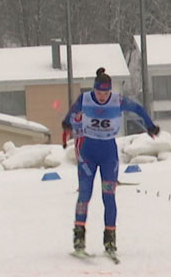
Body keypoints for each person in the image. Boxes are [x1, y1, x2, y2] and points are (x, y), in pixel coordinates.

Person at [61, 67, 159, 257]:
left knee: (109, 197)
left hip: (108, 154)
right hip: (88, 153)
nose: (102, 96)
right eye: (99, 92)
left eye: (105, 92)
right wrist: (66, 123)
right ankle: (79, 239)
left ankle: (110, 240)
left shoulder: (117, 101)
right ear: (94, 90)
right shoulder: (85, 99)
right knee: (85, 194)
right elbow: (72, 111)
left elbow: (138, 108)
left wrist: (150, 126)